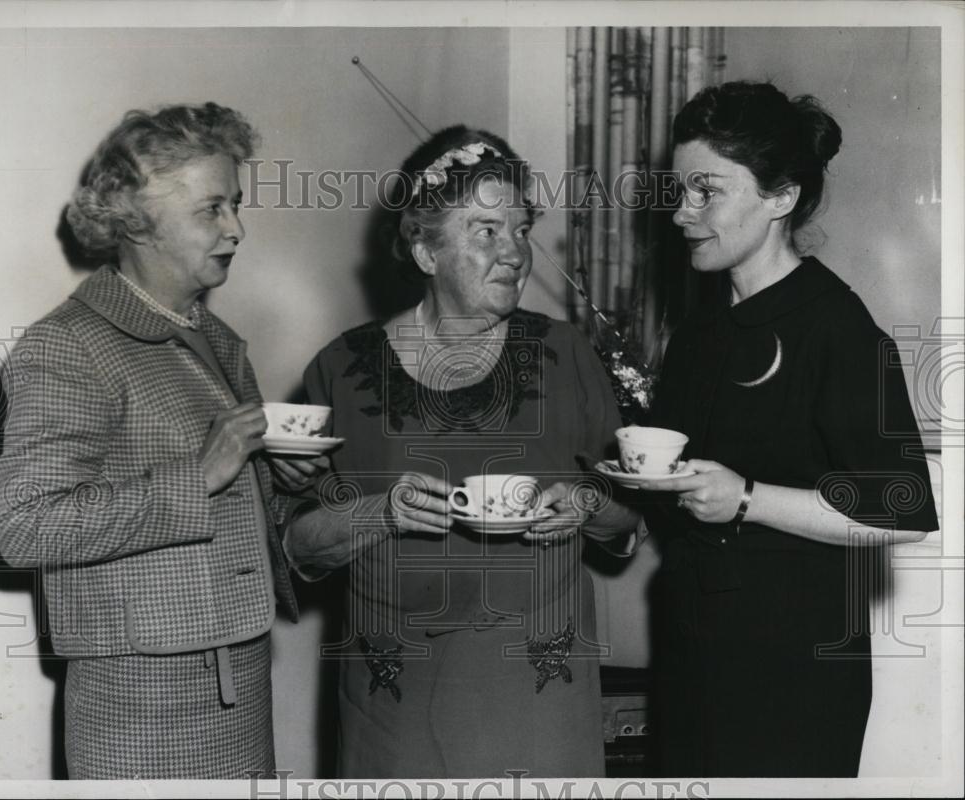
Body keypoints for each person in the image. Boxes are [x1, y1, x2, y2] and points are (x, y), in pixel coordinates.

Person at [283, 126, 643, 778]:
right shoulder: (339, 370)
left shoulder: (569, 357)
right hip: (393, 703)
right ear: (425, 251)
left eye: (521, 229)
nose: (514, 253)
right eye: (485, 231)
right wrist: (380, 515)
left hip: (540, 698)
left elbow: (630, 522)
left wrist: (587, 505)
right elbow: (298, 546)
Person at [0, 103, 325, 779]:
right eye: (212, 210)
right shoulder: (68, 346)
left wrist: (276, 483)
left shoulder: (215, 339)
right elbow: (24, 528)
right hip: (140, 707)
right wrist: (199, 477)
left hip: (242, 679)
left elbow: (225, 516)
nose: (236, 229)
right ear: (137, 222)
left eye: (235, 204)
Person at [637, 81, 939, 777]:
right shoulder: (697, 335)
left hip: (793, 675)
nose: (682, 213)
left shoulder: (838, 329)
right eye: (678, 190)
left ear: (782, 197)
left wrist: (746, 498)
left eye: (706, 191)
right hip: (693, 657)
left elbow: (903, 510)